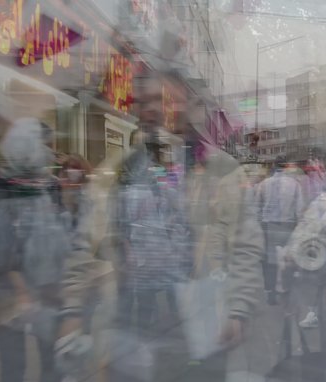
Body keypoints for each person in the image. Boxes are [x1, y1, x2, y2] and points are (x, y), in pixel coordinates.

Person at [55, 73, 265, 382]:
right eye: (143, 102)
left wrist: (238, 309)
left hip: (199, 321)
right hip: (132, 317)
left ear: (186, 106)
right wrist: (72, 309)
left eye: (160, 100)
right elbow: (86, 242)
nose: (150, 109)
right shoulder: (117, 170)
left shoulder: (219, 170)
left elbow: (245, 243)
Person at [0, 118, 69, 382]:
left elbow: (58, 234)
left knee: (47, 360)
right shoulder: (1, 190)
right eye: (41, 144)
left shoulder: (46, 187)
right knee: (14, 365)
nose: (47, 152)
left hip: (44, 289)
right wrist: (20, 288)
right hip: (13, 296)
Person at [256, 158, 306, 305]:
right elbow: (300, 209)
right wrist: (300, 226)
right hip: (288, 224)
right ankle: (284, 288)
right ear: (286, 167)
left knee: (270, 260)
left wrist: (260, 223)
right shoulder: (295, 185)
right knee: (287, 258)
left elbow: (256, 206)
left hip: (269, 225)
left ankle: (270, 291)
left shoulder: (264, 184)